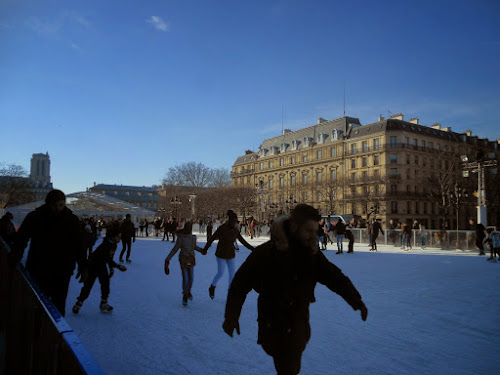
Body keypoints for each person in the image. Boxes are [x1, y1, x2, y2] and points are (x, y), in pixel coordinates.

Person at [223, 205, 368, 375]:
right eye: (308, 230)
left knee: (292, 367)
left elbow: (334, 277)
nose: (312, 235)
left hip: (299, 325)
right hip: (273, 326)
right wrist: (231, 316)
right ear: (294, 227)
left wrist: (355, 300)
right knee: (288, 368)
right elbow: (240, 283)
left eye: (315, 231)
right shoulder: (267, 253)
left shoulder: (311, 253)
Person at [10, 190, 87, 316]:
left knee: (58, 306)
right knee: (37, 305)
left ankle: (54, 333)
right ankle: (36, 331)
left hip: (62, 270)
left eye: (61, 205)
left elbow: (79, 245)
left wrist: (83, 266)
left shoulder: (71, 220)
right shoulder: (35, 217)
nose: (58, 209)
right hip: (39, 268)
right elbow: (22, 237)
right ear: (47, 204)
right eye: (54, 205)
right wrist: (16, 252)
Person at [72, 223, 127, 314]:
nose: (120, 239)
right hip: (93, 265)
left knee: (105, 284)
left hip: (101, 266)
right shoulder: (106, 245)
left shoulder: (113, 244)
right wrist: (117, 266)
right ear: (113, 237)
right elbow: (107, 258)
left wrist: (112, 268)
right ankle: (79, 303)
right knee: (88, 285)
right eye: (118, 237)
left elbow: (109, 258)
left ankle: (103, 303)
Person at [203, 210, 255, 299]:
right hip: (221, 254)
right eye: (234, 221)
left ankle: (231, 293)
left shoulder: (235, 230)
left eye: (235, 222)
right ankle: (212, 286)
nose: (235, 223)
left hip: (231, 254)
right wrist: (205, 249)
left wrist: (253, 249)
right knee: (220, 272)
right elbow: (212, 238)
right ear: (230, 220)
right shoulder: (222, 228)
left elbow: (243, 241)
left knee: (232, 274)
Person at [164, 221, 206, 305]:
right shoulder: (181, 238)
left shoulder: (193, 237)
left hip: (191, 259)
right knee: (185, 277)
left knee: (191, 278)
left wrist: (201, 250)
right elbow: (175, 249)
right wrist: (167, 260)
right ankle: (185, 294)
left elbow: (194, 247)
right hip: (183, 259)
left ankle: (188, 291)